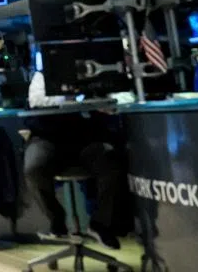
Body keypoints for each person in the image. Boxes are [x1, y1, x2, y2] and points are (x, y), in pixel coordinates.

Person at [23, 70, 124, 248]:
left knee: (110, 161)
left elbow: (118, 98)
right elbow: (36, 100)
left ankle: (100, 224)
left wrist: (103, 102)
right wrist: (68, 96)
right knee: (33, 168)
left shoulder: (94, 72)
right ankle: (57, 220)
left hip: (86, 140)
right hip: (48, 138)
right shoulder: (43, 75)